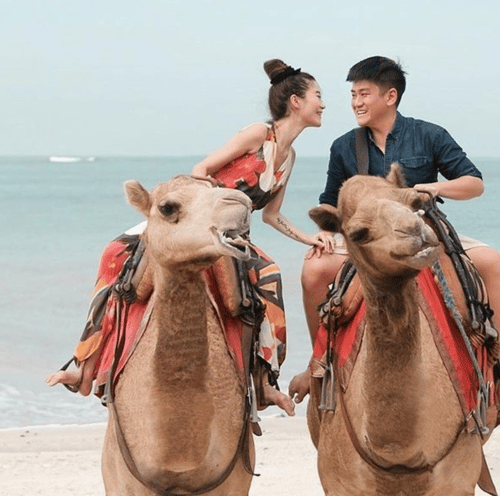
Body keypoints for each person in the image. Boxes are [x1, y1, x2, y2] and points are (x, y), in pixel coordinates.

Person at [47, 59, 334, 417]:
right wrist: (203, 214)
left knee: (271, 275)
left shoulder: (289, 157)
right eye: (318, 96)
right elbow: (202, 169)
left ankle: (264, 381)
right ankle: (83, 364)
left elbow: (271, 214)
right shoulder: (258, 134)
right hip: (197, 221)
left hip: (233, 237)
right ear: (296, 102)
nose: (323, 104)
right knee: (114, 254)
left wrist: (309, 239)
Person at [288, 56, 500, 423]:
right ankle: (319, 364)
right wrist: (323, 236)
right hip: (369, 243)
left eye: (364, 93)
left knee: (493, 262)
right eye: (353, 94)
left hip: (424, 231)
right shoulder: (343, 146)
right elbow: (329, 198)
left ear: (390, 96)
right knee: (312, 271)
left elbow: (474, 183)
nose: (356, 102)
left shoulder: (430, 134)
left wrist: (433, 187)